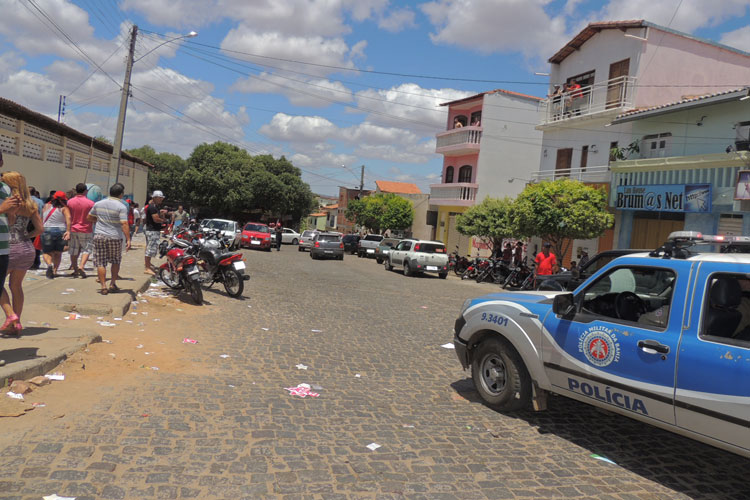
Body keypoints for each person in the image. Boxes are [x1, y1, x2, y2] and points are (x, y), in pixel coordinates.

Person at [0, 172, 43, 334]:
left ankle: (11, 317)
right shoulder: (30, 205)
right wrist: (26, 236)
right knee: (16, 286)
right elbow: (40, 229)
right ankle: (16, 325)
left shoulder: (8, 202)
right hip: (26, 248)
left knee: (0, 286)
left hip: (7, 248)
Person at [88, 183, 130, 295]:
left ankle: (103, 286)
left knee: (100, 262)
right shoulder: (121, 206)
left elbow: (89, 217)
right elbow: (124, 223)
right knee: (115, 261)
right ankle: (112, 283)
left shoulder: (98, 204)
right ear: (121, 194)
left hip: (99, 235)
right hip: (115, 237)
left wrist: (100, 220)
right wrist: (128, 239)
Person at [67, 183, 95, 278]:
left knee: (73, 249)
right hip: (86, 229)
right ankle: (81, 266)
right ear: (85, 191)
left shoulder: (70, 202)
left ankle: (75, 269)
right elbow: (93, 217)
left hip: (73, 228)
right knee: (87, 249)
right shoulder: (91, 203)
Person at [41, 191, 71, 279]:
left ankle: (49, 265)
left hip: (46, 229)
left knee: (47, 251)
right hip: (61, 230)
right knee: (58, 252)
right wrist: (68, 231)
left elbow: (41, 217)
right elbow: (68, 218)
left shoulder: (46, 206)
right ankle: (54, 271)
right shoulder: (64, 208)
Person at [144, 190, 167, 274]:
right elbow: (156, 219)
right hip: (152, 230)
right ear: (155, 198)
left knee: (150, 248)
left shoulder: (155, 207)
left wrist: (161, 214)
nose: (161, 199)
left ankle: (148, 264)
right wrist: (164, 221)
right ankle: (147, 268)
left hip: (152, 230)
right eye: (160, 198)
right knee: (150, 249)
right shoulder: (152, 207)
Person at [28, 186, 43, 269]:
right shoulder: (40, 202)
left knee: (26, 243)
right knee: (36, 244)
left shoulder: (24, 201)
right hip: (37, 223)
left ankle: (28, 262)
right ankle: (36, 262)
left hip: (26, 225)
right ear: (34, 192)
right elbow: (42, 213)